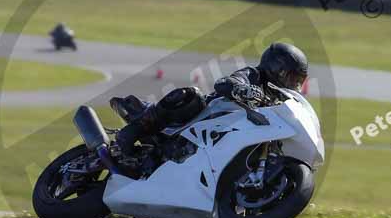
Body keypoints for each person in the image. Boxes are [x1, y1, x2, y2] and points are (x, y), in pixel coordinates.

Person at [111, 42, 308, 154]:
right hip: (200, 122)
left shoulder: (280, 101)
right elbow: (225, 83)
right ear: (277, 68)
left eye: (298, 81)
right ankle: (133, 130)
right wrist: (240, 88)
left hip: (223, 142)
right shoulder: (254, 75)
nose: (293, 85)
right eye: (291, 78)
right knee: (191, 96)